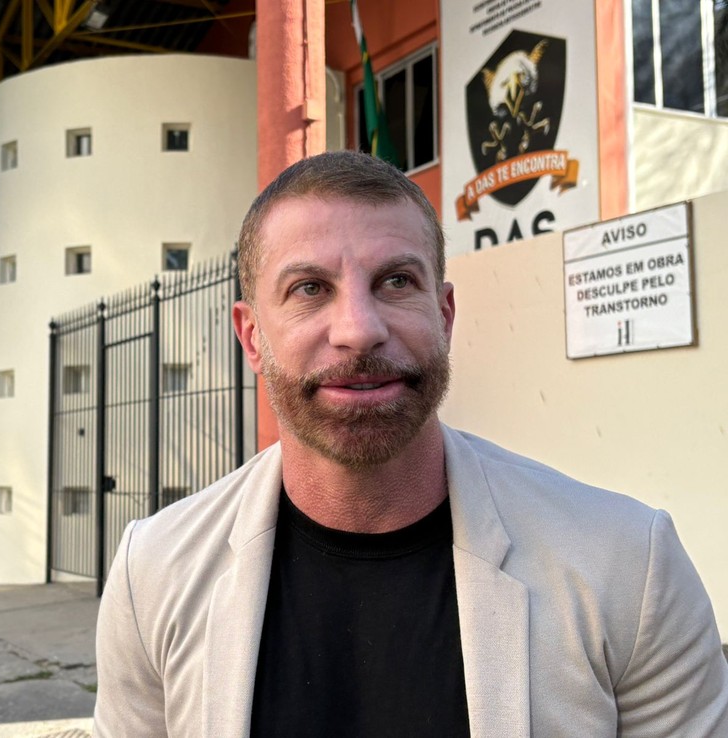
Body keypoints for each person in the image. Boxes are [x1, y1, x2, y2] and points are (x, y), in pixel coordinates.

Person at [93, 151, 728, 737]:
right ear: (252, 335)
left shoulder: (628, 567)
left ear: (444, 316)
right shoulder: (155, 572)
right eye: (309, 288)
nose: (359, 330)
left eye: (396, 281)